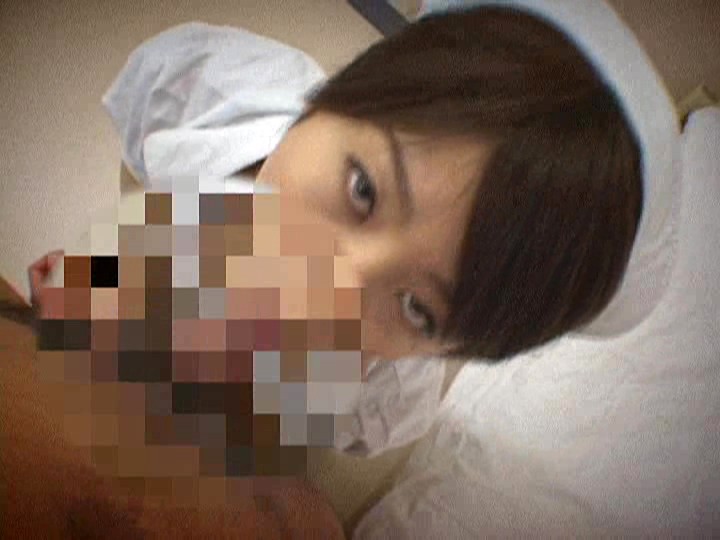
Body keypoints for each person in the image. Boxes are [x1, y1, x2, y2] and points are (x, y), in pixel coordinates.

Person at [5, 2, 697, 538]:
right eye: (363, 190)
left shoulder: (379, 395)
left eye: (418, 308)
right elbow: (146, 143)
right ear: (329, 97)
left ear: (446, 348)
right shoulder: (212, 102)